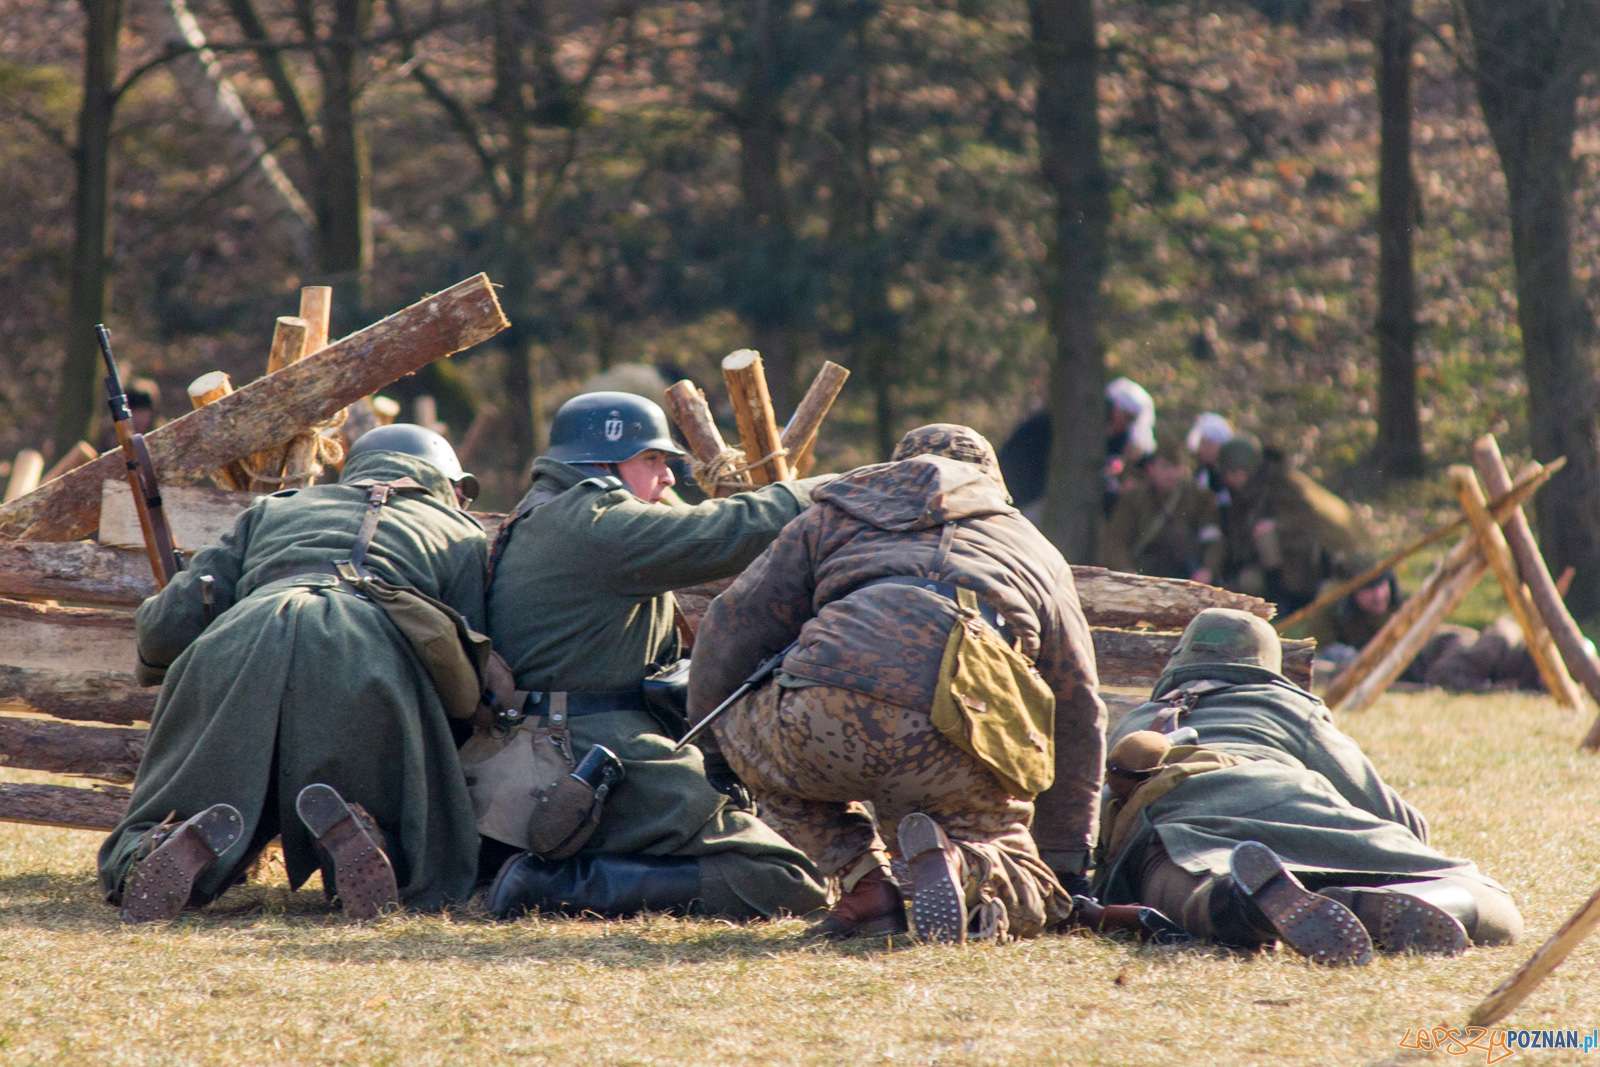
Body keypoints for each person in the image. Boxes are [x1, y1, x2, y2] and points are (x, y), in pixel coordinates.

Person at [689, 425, 1106, 944]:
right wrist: (1065, 863)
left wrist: (717, 752)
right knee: (1028, 885)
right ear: (991, 480)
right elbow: (1076, 710)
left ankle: (864, 886)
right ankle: (966, 865)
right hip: (964, 734)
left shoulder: (830, 516)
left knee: (741, 729)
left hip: (822, 718)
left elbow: (732, 627)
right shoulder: (1034, 547)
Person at [100, 425, 490, 922]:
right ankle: (372, 842)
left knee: (182, 798)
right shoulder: (462, 534)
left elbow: (164, 631)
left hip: (239, 639)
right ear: (447, 483)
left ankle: (158, 848)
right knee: (415, 843)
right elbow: (464, 659)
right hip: (369, 654)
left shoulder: (274, 509)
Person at [483, 391, 831, 920]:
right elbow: (721, 530)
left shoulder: (552, 514)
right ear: (601, 462)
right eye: (652, 460)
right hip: (589, 752)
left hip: (564, 746)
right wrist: (838, 490)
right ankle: (555, 886)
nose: (668, 477)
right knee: (786, 881)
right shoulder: (591, 522)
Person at [1093, 608, 1522, 962]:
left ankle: (1247, 902)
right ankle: (1396, 898)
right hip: (1287, 798)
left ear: (1180, 660)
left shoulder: (1138, 720)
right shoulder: (1285, 705)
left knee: (1192, 893)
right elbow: (1394, 816)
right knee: (1493, 903)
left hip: (1173, 829)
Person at [1216, 434, 1368, 616]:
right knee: (1246, 582)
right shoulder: (1242, 496)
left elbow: (1306, 522)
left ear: (1249, 470)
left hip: (1304, 566)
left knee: (1265, 534)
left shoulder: (1283, 484)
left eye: (1234, 473)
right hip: (1271, 568)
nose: (1229, 479)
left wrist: (1275, 529)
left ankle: (1280, 602)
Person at [997, 376, 1157, 521]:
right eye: (1127, 417)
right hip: (1025, 498)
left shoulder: (1115, 439)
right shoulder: (1059, 426)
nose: (1126, 425)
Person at [1099, 428, 1223, 584]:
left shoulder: (1199, 498)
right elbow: (1116, 541)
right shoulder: (1135, 498)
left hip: (1186, 578)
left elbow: (1212, 538)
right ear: (1152, 468)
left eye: (1176, 468)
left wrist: (1208, 569)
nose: (1171, 474)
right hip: (1143, 575)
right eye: (1165, 467)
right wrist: (1126, 572)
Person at [1186, 413, 1233, 505]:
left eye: (1209, 444)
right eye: (1201, 443)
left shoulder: (1230, 474)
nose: (1203, 449)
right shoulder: (1196, 471)